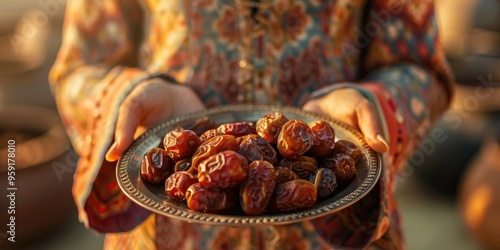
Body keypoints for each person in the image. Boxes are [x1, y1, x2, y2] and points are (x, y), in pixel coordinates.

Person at [49, 0, 453, 249]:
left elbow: (421, 68)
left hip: (334, 218)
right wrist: (131, 93)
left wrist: (375, 103)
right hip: (167, 229)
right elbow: (77, 71)